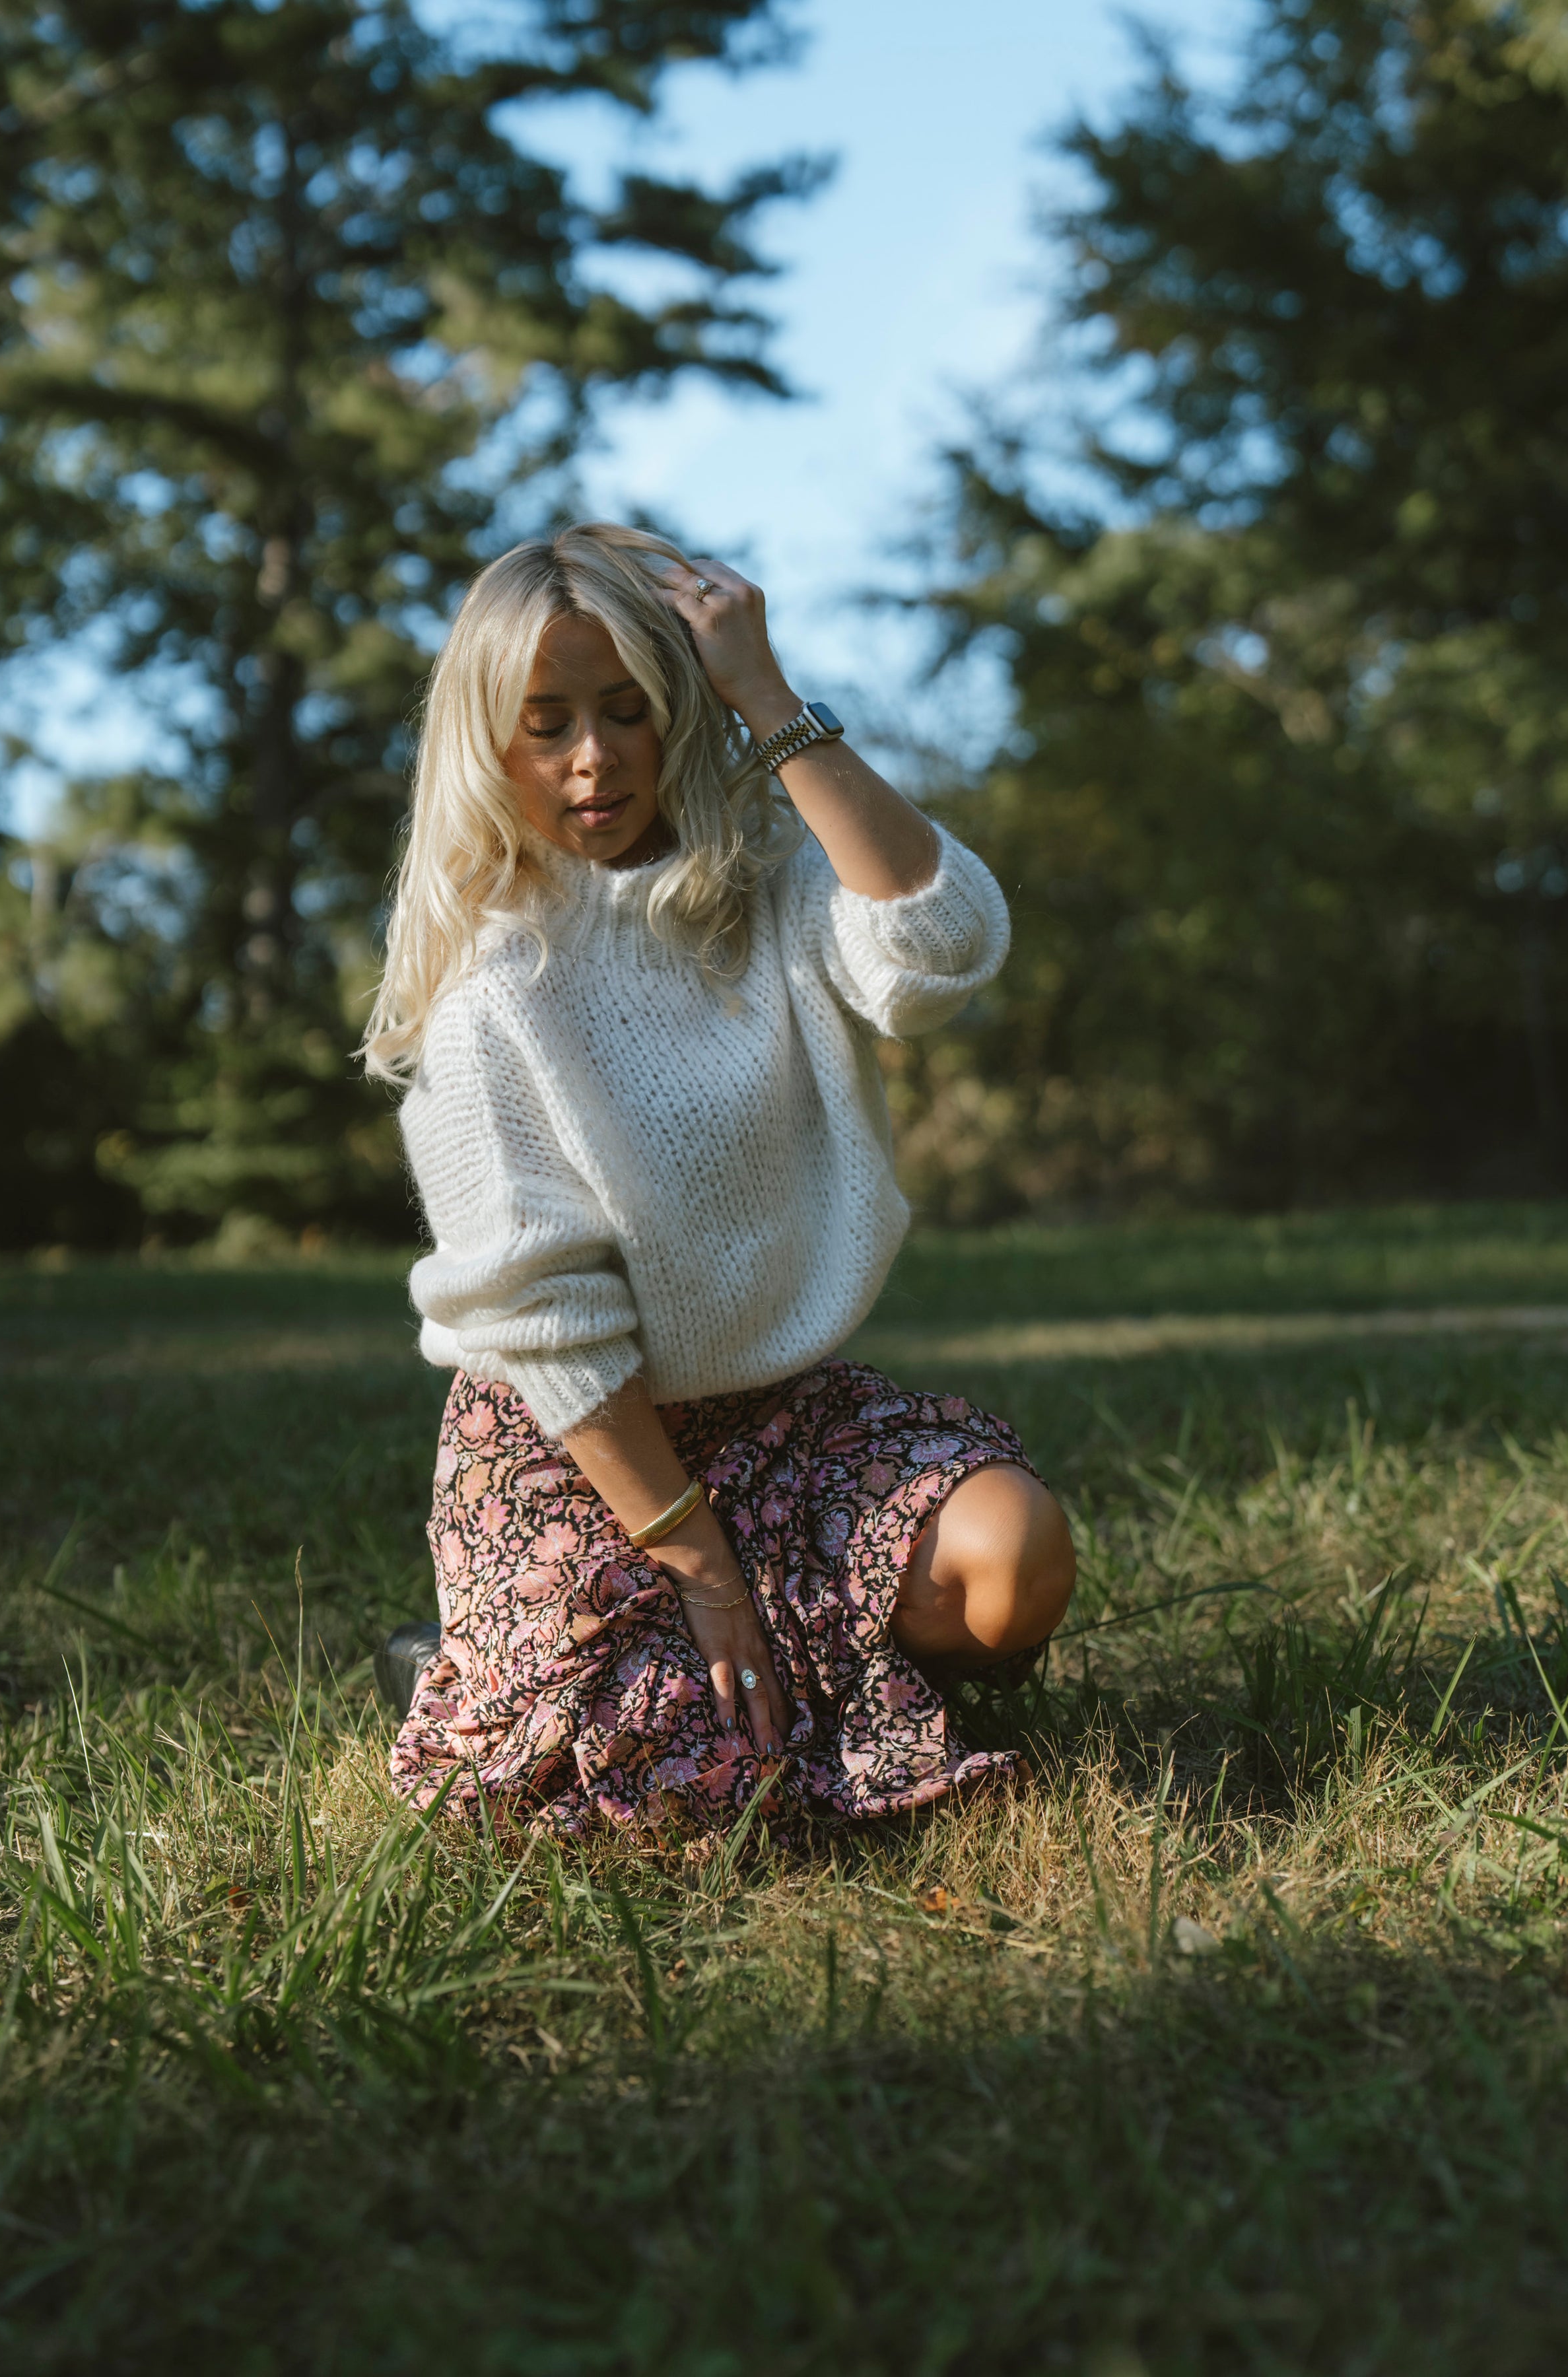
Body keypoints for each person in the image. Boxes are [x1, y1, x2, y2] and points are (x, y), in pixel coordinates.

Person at [363, 522, 1075, 1836]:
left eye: (628, 709)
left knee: (1015, 1556)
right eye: (547, 725)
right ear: (488, 744)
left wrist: (768, 696)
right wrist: (701, 1565)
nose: (594, 756)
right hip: (585, 1449)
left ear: (676, 711)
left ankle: (826, 1676)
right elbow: (551, 1329)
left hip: (781, 1421)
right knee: (682, 1798)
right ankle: (467, 1665)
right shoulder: (493, 993)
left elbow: (944, 946)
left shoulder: (768, 888)